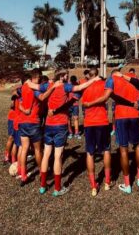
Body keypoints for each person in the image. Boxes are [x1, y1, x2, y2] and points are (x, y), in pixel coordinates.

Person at [85, 69, 139, 194]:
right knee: (137, 146)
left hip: (121, 116)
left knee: (123, 149)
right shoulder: (130, 78)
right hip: (133, 116)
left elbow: (108, 96)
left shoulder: (111, 80)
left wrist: (89, 104)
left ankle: (127, 184)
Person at [36, 69, 100, 197]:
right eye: (67, 75)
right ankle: (57, 188)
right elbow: (80, 87)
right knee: (58, 156)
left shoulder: (48, 85)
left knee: (46, 154)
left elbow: (35, 87)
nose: (68, 77)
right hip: (60, 125)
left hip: (48, 124)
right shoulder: (66, 86)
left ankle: (43, 186)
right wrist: (94, 79)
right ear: (62, 76)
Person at [80, 68, 112, 197]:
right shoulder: (103, 84)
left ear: (89, 76)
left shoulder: (84, 87)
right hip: (102, 121)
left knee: (90, 153)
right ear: (97, 75)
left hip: (89, 123)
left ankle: (93, 185)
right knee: (106, 150)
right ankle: (107, 182)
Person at [17, 69, 43, 186]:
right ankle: (43, 173)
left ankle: (23, 175)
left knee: (24, 149)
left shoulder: (24, 87)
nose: (41, 80)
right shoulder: (34, 87)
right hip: (33, 122)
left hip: (23, 122)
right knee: (37, 149)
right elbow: (43, 89)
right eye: (39, 78)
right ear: (35, 77)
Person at [68, 75, 81, 140]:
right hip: (68, 105)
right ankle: (70, 132)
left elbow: (79, 95)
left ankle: (76, 132)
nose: (73, 82)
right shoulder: (67, 85)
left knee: (76, 118)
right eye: (72, 81)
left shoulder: (77, 86)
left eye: (74, 81)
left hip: (75, 104)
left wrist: (75, 97)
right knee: (68, 119)